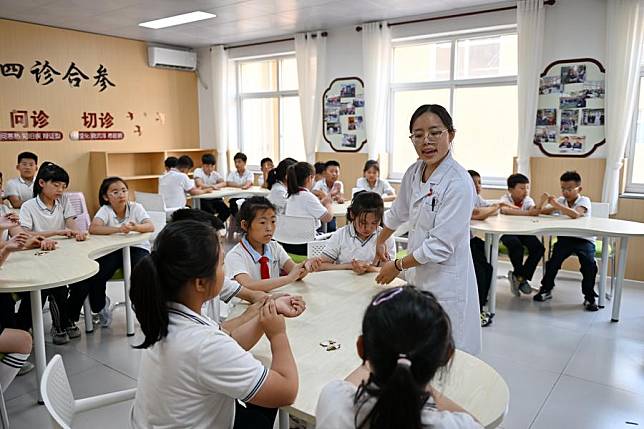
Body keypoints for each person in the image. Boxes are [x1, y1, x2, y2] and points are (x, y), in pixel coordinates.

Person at [129, 220, 298, 429]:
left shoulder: (165, 314)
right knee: (269, 394)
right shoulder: (203, 344)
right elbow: (287, 391)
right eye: (221, 264)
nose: (224, 272)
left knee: (259, 396)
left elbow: (229, 341)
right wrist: (277, 335)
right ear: (200, 283)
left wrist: (266, 316)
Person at [373, 104, 481, 355]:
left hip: (446, 279)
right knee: (419, 343)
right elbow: (398, 212)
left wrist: (397, 265)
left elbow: (440, 246)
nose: (426, 141)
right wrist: (380, 241)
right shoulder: (414, 171)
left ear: (450, 135)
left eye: (435, 132)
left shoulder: (459, 183)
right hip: (419, 273)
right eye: (418, 135)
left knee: (447, 347)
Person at [316, 286, 482, 429]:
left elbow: (348, 386)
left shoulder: (335, 401)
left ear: (361, 348)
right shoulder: (457, 425)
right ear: (447, 356)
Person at [169, 208, 305, 325]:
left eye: (273, 221)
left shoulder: (210, 278)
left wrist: (274, 301)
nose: (223, 250)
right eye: (219, 243)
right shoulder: (186, 308)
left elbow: (251, 294)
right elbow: (218, 334)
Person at [67, 177, 154, 328]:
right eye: (115, 192)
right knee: (96, 273)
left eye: (124, 190)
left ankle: (140, 305)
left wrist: (134, 228)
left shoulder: (136, 207)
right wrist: (119, 229)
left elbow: (150, 226)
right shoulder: (105, 210)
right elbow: (94, 228)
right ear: (106, 197)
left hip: (137, 247)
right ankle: (100, 305)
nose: (121, 194)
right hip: (113, 250)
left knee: (143, 271)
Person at [18, 162, 88, 344]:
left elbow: (71, 225)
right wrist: (55, 233)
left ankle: (67, 319)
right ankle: (59, 325)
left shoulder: (63, 201)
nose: (61, 190)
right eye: (56, 185)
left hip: (61, 253)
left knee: (85, 280)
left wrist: (77, 233)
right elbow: (24, 235)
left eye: (64, 186)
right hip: (35, 256)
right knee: (54, 285)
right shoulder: (29, 206)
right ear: (42, 183)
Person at [535, 171, 598, 311]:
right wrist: (547, 203)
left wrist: (557, 206)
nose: (565, 192)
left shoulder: (584, 200)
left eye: (569, 189)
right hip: (565, 239)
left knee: (589, 265)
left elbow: (575, 214)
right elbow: (543, 212)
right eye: (563, 188)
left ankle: (589, 296)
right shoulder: (562, 201)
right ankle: (546, 289)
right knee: (553, 262)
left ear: (579, 189)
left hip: (584, 239)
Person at [226, 197, 311, 292]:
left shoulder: (275, 247)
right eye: (262, 222)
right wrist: (288, 278)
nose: (269, 228)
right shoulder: (235, 255)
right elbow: (248, 285)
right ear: (245, 225)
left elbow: (294, 271)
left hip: (275, 302)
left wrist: (305, 267)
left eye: (273, 221)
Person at [310, 191, 395, 274]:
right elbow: (320, 265)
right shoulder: (341, 235)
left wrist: (369, 268)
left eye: (374, 223)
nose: (368, 228)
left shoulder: (385, 237)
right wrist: (350, 266)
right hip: (343, 285)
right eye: (363, 222)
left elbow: (391, 269)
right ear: (352, 214)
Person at [499, 173, 546, 297]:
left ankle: (520, 277)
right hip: (507, 231)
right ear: (510, 190)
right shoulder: (505, 199)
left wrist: (538, 205)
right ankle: (521, 278)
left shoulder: (528, 200)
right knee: (516, 246)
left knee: (539, 248)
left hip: (524, 232)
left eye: (527, 188)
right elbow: (505, 210)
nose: (525, 191)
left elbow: (534, 211)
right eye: (521, 188)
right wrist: (527, 213)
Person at [467, 170, 502, 327]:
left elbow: (490, 209)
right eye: (474, 183)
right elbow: (479, 214)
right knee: (481, 270)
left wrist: (492, 208)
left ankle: (482, 300)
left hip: (471, 239)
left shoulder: (476, 197)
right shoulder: (463, 196)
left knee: (487, 267)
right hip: (460, 242)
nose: (477, 186)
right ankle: (478, 310)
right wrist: (493, 208)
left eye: (479, 183)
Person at [284, 162, 334, 255]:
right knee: (336, 235)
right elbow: (328, 218)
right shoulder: (308, 196)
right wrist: (328, 203)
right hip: (307, 246)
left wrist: (321, 203)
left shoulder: (291, 196)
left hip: (290, 245)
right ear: (309, 178)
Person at [193, 153, 230, 223]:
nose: (210, 168)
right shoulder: (198, 171)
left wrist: (216, 186)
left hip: (215, 198)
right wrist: (212, 186)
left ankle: (214, 227)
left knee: (227, 211)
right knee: (210, 213)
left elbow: (224, 183)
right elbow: (199, 184)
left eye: (212, 166)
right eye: (207, 166)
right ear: (203, 165)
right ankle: (212, 227)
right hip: (203, 199)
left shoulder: (215, 173)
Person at [227, 152, 254, 223]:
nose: (237, 164)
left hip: (246, 197)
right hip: (234, 197)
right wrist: (241, 185)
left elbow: (248, 183)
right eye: (235, 162)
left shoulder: (249, 173)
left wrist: (240, 185)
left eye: (239, 162)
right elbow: (229, 183)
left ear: (244, 162)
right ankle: (240, 224)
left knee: (247, 209)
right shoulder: (232, 173)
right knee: (233, 208)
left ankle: (244, 225)